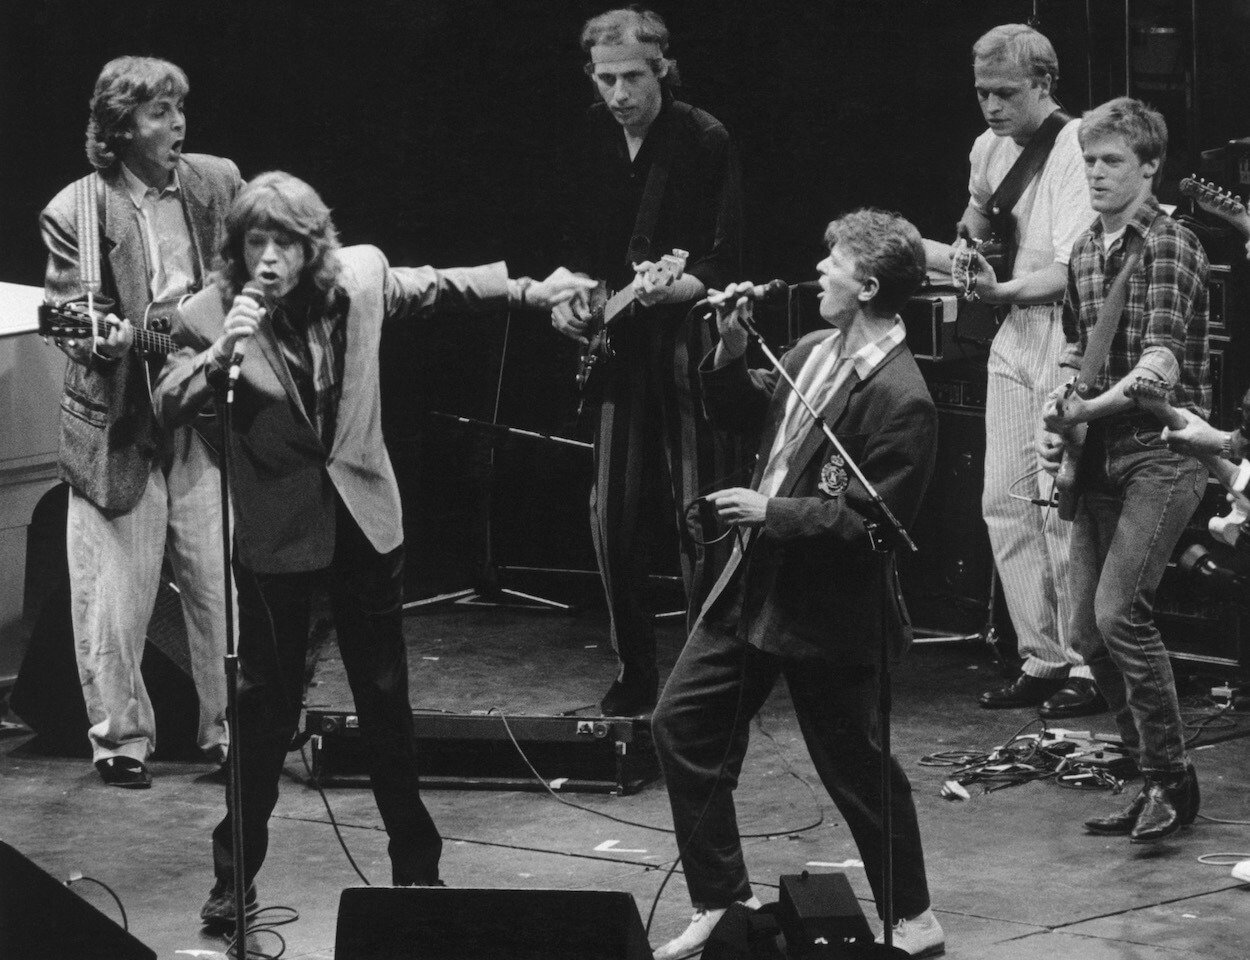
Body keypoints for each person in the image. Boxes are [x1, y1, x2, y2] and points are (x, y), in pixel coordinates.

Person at [152, 171, 594, 924]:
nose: (268, 258)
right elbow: (167, 401)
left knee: (384, 699)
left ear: (311, 245)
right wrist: (215, 357)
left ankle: (416, 872)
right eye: (254, 241)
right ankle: (233, 878)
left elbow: (437, 287)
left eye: (283, 242)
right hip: (278, 533)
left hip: (363, 514)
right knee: (264, 710)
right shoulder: (209, 314)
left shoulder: (359, 276)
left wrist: (526, 290)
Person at [650, 209, 943, 960]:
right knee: (682, 723)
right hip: (755, 586)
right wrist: (734, 346)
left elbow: (870, 526)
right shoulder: (814, 350)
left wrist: (769, 511)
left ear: (868, 284)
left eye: (833, 262)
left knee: (855, 769)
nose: (819, 272)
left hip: (829, 610)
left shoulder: (902, 399)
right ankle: (723, 900)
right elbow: (749, 418)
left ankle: (913, 917)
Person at [39, 56, 241, 788]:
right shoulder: (76, 212)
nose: (177, 124)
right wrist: (123, 336)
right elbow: (78, 327)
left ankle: (230, 733)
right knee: (114, 603)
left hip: (202, 418)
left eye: (179, 108)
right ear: (120, 129)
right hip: (120, 423)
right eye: (159, 113)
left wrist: (184, 330)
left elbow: (243, 280)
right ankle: (121, 740)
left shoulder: (216, 181)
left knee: (218, 591)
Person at [552, 5, 744, 717]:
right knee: (612, 516)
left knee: (700, 509)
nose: (620, 93)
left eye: (633, 76)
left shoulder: (701, 139)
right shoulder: (588, 139)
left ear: (661, 68)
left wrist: (684, 283)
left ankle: (708, 669)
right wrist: (570, 296)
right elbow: (572, 245)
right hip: (616, 344)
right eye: (606, 79)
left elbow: (728, 254)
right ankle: (636, 665)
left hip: (686, 336)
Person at [1039, 97, 1208, 843]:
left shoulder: (1170, 245)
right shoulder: (1083, 252)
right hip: (1103, 456)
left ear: (1149, 167)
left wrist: (1084, 411)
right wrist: (1060, 397)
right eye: (1090, 161)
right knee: (1087, 631)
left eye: (1112, 161)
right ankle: (1148, 778)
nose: (1098, 173)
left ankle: (1173, 778)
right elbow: (1079, 346)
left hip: (1165, 453)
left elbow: (1156, 373)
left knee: (1117, 612)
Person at [924, 24, 1102, 718]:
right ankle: (1041, 655)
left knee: (1063, 505)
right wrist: (962, 255)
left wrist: (995, 290)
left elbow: (1072, 270)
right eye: (981, 93)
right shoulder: (987, 148)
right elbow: (974, 224)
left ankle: (1086, 661)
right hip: (1011, 333)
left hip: (1065, 330)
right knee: (1003, 497)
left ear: (1044, 83)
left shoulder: (1075, 146)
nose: (991, 106)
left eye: (1005, 92)